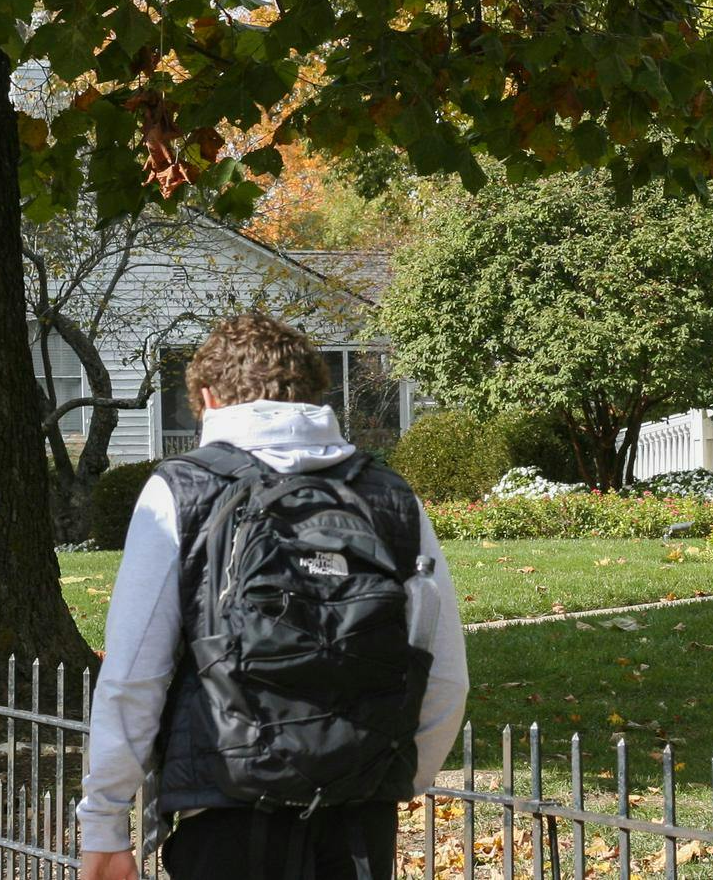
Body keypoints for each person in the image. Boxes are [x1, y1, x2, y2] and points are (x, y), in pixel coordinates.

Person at [79, 312, 468, 880]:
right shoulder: (389, 494)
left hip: (228, 808)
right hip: (359, 816)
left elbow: (135, 673)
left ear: (208, 399)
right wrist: (393, 777)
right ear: (314, 393)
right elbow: (444, 671)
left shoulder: (183, 487)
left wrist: (106, 823)